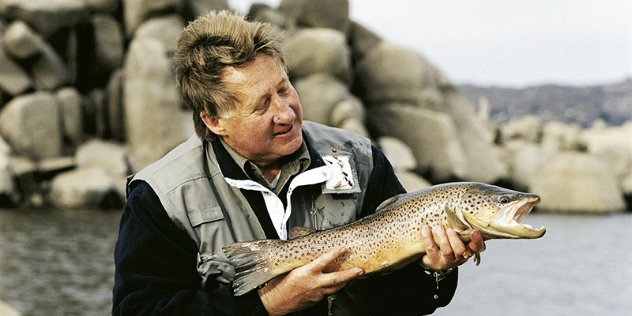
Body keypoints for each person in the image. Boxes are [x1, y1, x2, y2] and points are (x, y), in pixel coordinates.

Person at [112, 10, 484, 316]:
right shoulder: (161, 197)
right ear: (214, 120)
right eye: (261, 105)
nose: (286, 112)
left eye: (284, 89)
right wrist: (270, 302)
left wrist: (433, 270)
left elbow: (398, 304)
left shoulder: (361, 160)